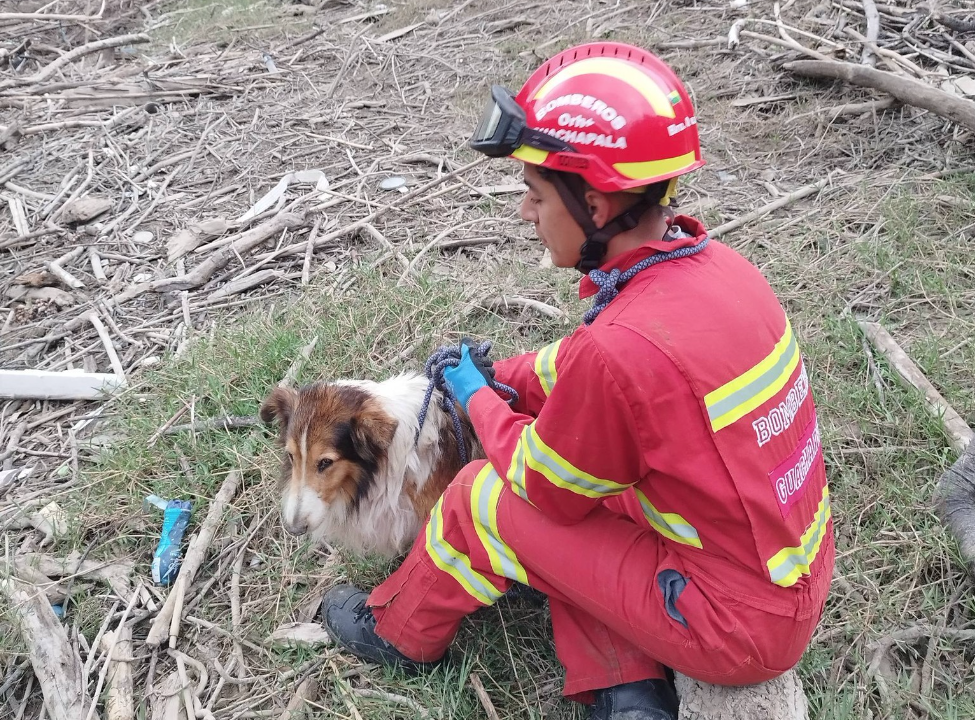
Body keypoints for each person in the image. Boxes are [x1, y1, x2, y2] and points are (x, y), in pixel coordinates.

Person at [320, 41, 834, 720]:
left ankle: (398, 631)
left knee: (485, 496)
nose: (524, 212)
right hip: (779, 578)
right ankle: (629, 695)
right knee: (600, 490)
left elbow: (545, 489)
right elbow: (579, 368)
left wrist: (478, 400)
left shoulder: (618, 349)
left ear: (593, 205)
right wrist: (494, 376)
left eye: (534, 194)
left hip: (728, 628)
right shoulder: (715, 274)